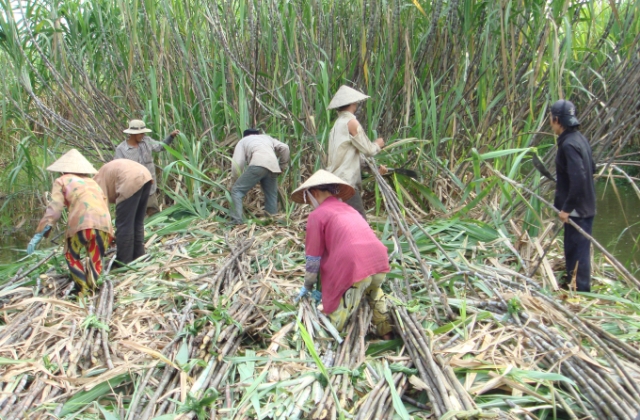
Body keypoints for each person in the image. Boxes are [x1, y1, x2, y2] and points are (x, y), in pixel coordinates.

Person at [292, 169, 393, 338]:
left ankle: (331, 341)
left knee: (337, 317)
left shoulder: (318, 215)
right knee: (375, 292)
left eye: (308, 199)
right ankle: (386, 332)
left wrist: (308, 286)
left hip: (355, 267)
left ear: (314, 193)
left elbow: (313, 258)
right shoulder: (349, 209)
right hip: (379, 261)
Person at [27, 149, 113, 294]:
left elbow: (55, 209)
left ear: (62, 170)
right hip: (104, 225)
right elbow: (104, 205)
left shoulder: (62, 180)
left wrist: (40, 233)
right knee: (95, 259)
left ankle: (83, 291)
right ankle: (93, 291)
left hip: (81, 225)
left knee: (70, 255)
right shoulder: (93, 183)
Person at [550, 99, 596, 292]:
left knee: (578, 253)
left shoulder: (568, 144)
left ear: (557, 120)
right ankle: (572, 286)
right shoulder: (579, 138)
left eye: (551, 119)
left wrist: (567, 209)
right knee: (573, 250)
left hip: (577, 210)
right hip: (585, 205)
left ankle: (582, 292)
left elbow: (578, 180)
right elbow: (592, 168)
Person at [326, 85, 387, 219]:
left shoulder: (336, 125)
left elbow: (351, 156)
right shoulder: (351, 122)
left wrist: (375, 170)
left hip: (334, 181)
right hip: (346, 182)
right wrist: (378, 144)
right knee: (359, 221)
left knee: (344, 221)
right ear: (353, 103)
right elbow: (369, 150)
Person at [114, 119, 180, 216]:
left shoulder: (147, 141)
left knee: (153, 213)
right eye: (140, 134)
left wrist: (171, 137)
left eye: (143, 133)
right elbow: (118, 169)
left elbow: (159, 147)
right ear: (132, 134)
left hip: (149, 187)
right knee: (135, 215)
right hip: (133, 190)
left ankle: (156, 229)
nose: (142, 135)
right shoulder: (122, 149)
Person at [94, 159, 153, 265]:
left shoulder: (95, 184)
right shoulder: (102, 174)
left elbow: (103, 212)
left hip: (129, 179)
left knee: (124, 224)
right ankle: (139, 256)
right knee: (136, 222)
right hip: (145, 175)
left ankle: (124, 261)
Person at [230, 128, 290, 225]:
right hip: (273, 166)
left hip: (257, 164)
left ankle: (236, 221)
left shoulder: (243, 141)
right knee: (271, 195)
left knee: (237, 191)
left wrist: (235, 181)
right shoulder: (267, 138)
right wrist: (283, 166)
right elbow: (285, 147)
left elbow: (238, 163)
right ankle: (271, 222)